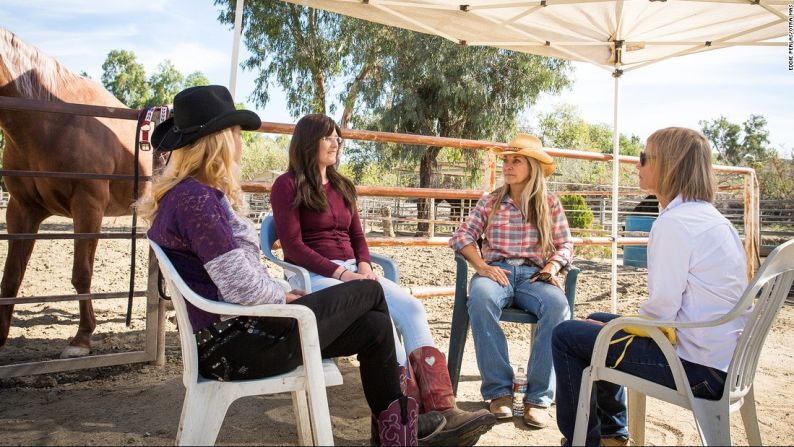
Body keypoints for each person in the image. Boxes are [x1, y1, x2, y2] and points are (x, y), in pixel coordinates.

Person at [141, 86, 443, 446]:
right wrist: (285, 295)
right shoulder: (196, 201)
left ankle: (399, 434)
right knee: (370, 290)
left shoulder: (193, 197)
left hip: (241, 335)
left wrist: (283, 291)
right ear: (218, 140)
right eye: (236, 134)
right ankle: (404, 430)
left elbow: (238, 278)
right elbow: (242, 288)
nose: (240, 143)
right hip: (238, 346)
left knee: (376, 325)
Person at [270, 113, 496, 446]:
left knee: (412, 308)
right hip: (318, 278)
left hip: (353, 272)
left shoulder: (343, 186)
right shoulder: (287, 185)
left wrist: (363, 265)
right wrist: (343, 273)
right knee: (384, 324)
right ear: (308, 141)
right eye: (329, 138)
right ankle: (406, 419)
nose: (336, 144)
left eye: (338, 138)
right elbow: (294, 247)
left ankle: (442, 409)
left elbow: (358, 236)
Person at [551, 127, 749, 446]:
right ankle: (612, 434)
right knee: (599, 319)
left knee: (566, 336)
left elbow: (661, 312)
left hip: (695, 370)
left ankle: (583, 441)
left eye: (643, 157)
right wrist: (614, 325)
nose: (637, 164)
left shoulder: (674, 223)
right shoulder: (712, 219)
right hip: (723, 362)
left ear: (668, 165)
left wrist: (621, 327)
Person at [449, 133, 574, 428]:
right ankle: (499, 392)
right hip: (498, 271)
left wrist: (552, 267)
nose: (508, 165)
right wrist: (480, 265)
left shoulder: (549, 203)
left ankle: (538, 398)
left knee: (558, 307)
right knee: (480, 298)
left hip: (535, 274)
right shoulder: (491, 201)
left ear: (532, 166)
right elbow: (462, 236)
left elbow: (566, 244)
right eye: (506, 160)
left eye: (516, 160)